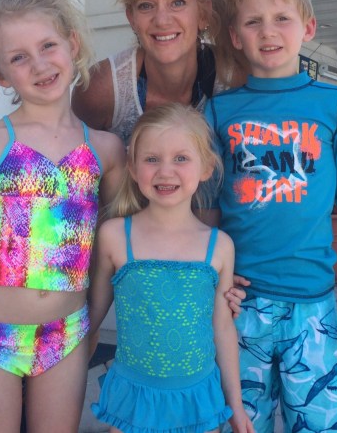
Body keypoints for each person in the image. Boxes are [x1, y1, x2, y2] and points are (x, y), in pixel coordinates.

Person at [0, 0, 125, 433]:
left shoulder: (106, 150)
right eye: (18, 57)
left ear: (72, 45)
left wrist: (93, 323)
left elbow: (113, 251)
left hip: (67, 334)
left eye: (47, 46)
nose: (39, 64)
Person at [205, 0, 337, 432]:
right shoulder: (219, 111)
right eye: (253, 21)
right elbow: (208, 210)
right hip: (241, 306)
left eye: (282, 18)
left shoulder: (335, 105)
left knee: (322, 424)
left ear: (308, 27)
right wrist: (212, 282)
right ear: (235, 35)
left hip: (313, 305)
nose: (268, 31)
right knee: (243, 423)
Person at [88, 103, 254, 433]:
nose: (166, 171)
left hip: (198, 400)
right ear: (133, 167)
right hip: (132, 399)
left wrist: (235, 404)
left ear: (206, 167)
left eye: (181, 158)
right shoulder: (115, 236)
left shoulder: (219, 246)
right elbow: (90, 317)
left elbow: (222, 328)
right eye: (152, 159)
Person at [71, 0, 248, 147]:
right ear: (132, 18)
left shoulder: (234, 80)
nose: (162, 20)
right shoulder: (101, 91)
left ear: (203, 13)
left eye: (177, 3)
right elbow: (72, 160)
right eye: (146, 6)